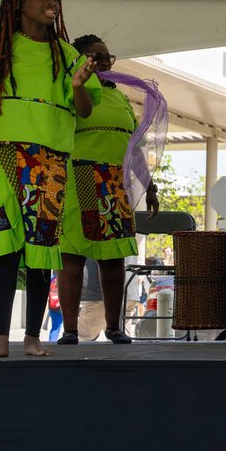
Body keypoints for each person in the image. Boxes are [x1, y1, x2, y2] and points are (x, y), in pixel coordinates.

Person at [0, 0, 97, 359]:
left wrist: (80, 86)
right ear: (18, 4)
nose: (51, 1)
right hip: (3, 157)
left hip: (48, 160)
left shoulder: (68, 56)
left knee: (40, 246)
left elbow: (83, 111)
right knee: (5, 245)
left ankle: (32, 336)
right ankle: (1, 338)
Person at [57, 34, 161, 345]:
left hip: (114, 182)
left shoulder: (120, 99)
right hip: (80, 176)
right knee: (73, 256)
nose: (104, 62)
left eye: (107, 57)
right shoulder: (68, 90)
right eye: (96, 56)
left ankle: (114, 328)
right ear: (79, 60)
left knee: (113, 258)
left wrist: (150, 186)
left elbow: (134, 149)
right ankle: (70, 330)